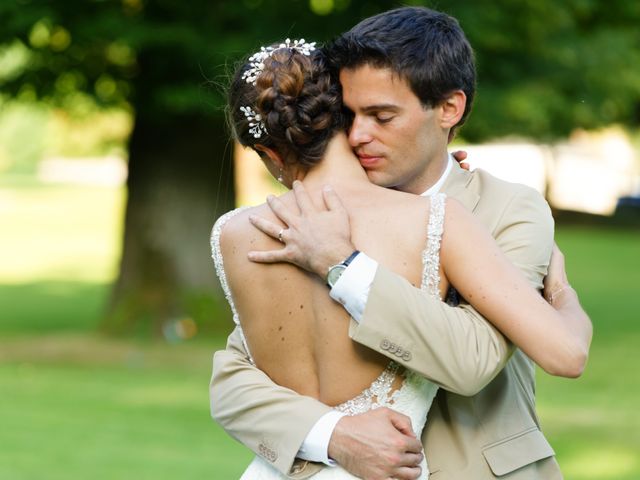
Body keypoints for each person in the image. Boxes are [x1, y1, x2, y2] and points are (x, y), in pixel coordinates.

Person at [211, 8, 592, 479]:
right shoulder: (311, 218)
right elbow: (235, 378)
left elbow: (478, 358)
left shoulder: (507, 210)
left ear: (449, 109)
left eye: (381, 116)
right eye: (347, 114)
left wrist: (343, 264)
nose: (357, 134)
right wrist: (333, 433)